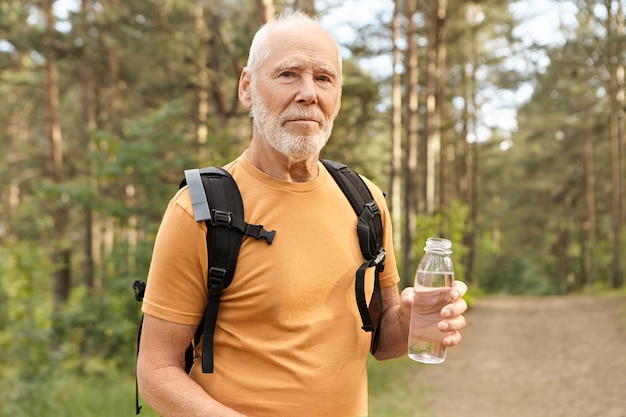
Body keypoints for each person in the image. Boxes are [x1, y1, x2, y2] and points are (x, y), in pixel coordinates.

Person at [137, 10, 468, 417]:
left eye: (323, 78)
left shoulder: (364, 201)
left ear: (337, 96)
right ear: (247, 88)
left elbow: (382, 341)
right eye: (288, 74)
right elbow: (155, 370)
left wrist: (414, 320)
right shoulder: (199, 211)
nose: (308, 93)